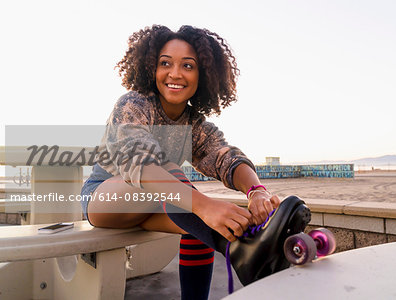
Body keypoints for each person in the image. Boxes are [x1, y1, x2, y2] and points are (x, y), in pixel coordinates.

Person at [81, 25, 311, 299]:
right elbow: (138, 163)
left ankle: (243, 255)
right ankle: (244, 249)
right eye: (165, 63)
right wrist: (204, 205)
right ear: (150, 68)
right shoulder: (134, 104)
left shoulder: (195, 125)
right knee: (189, 196)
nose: (175, 73)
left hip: (153, 207)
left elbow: (227, 157)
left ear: (202, 75)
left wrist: (256, 191)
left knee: (200, 227)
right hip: (105, 199)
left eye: (187, 66)